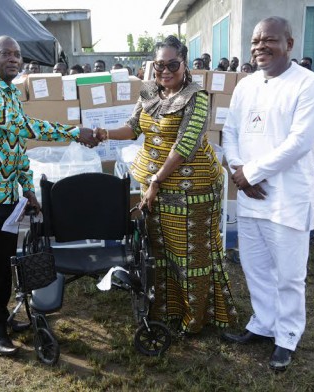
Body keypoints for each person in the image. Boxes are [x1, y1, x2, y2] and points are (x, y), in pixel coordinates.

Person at [0, 35, 98, 356]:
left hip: (5, 199)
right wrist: (75, 132)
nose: (13, 58)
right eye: (5, 53)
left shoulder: (12, 93)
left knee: (5, 265)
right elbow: (24, 127)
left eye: (17, 54)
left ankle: (3, 319)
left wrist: (27, 188)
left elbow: (18, 147)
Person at [95, 35, 236, 336]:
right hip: (154, 187)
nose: (166, 71)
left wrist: (156, 181)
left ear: (185, 64)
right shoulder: (148, 92)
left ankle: (195, 319)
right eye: (160, 65)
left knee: (190, 255)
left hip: (191, 190)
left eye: (173, 64)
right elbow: (133, 128)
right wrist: (102, 132)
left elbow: (185, 144)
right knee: (160, 252)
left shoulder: (197, 97)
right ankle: (167, 309)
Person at [221, 17, 314, 372]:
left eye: (269, 40)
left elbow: (298, 143)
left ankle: (287, 337)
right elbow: (230, 130)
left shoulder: (308, 85)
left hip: (287, 198)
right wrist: (239, 172)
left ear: (290, 44)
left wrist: (250, 173)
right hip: (250, 196)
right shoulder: (245, 86)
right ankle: (264, 324)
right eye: (255, 41)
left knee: (289, 275)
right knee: (256, 268)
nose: (260, 46)